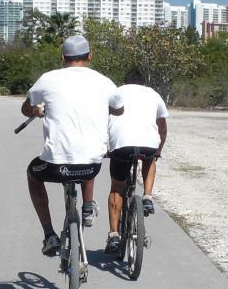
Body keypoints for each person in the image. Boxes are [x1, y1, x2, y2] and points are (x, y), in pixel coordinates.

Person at [23, 35, 124, 256]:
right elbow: (119, 109)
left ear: (63, 58)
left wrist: (36, 111)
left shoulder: (48, 79)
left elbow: (26, 107)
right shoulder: (104, 81)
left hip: (55, 167)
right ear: (90, 56)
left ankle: (49, 234)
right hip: (91, 167)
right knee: (89, 152)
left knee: (33, 174)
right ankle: (87, 207)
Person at [104, 68, 168, 257]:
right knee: (151, 158)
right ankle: (147, 197)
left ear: (125, 82)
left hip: (121, 146)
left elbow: (103, 121)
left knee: (117, 187)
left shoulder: (116, 93)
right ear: (144, 82)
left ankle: (114, 235)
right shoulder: (154, 94)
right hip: (147, 144)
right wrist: (159, 150)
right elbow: (162, 128)